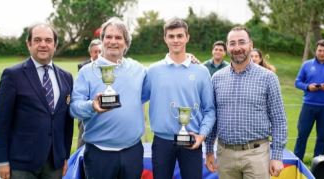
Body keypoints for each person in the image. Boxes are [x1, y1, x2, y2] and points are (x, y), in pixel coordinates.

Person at [0, 23, 74, 179]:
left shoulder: (66, 77)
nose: (43, 44)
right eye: (37, 40)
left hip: (54, 163)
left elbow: (67, 122)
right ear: (29, 44)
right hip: (22, 164)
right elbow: (0, 122)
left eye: (48, 40)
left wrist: (65, 157)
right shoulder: (12, 75)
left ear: (55, 45)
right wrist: (2, 161)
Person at [205, 26, 287, 179]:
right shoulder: (216, 78)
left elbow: (279, 119)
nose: (237, 48)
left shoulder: (268, 78)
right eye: (232, 43)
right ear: (228, 47)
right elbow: (213, 117)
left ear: (251, 44)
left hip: (257, 155)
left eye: (241, 42)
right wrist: (209, 150)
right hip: (225, 155)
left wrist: (277, 156)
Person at [70, 17, 146, 179]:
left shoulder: (137, 69)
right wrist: (92, 106)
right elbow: (74, 107)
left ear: (126, 43)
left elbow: (160, 75)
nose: (113, 41)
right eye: (108, 37)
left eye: (118, 37)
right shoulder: (86, 72)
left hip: (132, 151)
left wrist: (184, 56)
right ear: (102, 40)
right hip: (99, 153)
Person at [142, 17, 216, 179]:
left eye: (180, 36)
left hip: (192, 140)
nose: (176, 40)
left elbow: (210, 110)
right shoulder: (153, 71)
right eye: (171, 36)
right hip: (162, 141)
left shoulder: (201, 71)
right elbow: (138, 98)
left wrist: (202, 135)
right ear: (165, 38)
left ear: (187, 37)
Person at [293, 39, 324, 161]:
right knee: (302, 136)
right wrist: (308, 87)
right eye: (320, 50)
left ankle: (318, 166)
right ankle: (297, 163)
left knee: (322, 138)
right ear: (316, 50)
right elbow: (297, 82)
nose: (322, 53)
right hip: (308, 106)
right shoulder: (307, 65)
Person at [76, 39, 102, 149]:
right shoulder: (82, 67)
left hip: (103, 106)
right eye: (95, 51)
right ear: (90, 53)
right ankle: (79, 159)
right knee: (83, 138)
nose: (98, 54)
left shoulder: (108, 65)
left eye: (100, 51)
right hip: (87, 108)